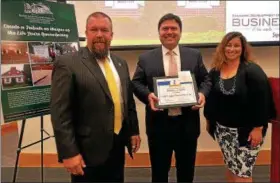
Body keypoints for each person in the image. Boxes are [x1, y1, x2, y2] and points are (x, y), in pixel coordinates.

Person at [50, 12, 141, 183]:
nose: (99, 34)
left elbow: (127, 102)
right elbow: (60, 113)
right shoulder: (68, 63)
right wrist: (69, 152)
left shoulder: (120, 63)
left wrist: (133, 130)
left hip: (117, 145)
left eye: (104, 30)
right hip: (86, 152)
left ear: (111, 35)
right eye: (94, 30)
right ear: (86, 33)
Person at [132, 13, 211, 182]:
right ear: (159, 32)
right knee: (159, 173)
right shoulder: (146, 58)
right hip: (159, 125)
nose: (169, 32)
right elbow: (136, 83)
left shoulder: (194, 55)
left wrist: (202, 93)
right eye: (165, 28)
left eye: (173, 28)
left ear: (180, 32)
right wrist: (148, 95)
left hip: (187, 124)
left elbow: (206, 79)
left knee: (186, 172)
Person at [204, 31, 276, 182]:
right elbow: (210, 97)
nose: (232, 49)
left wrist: (258, 128)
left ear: (243, 49)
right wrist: (209, 120)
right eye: (228, 45)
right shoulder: (216, 70)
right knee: (232, 168)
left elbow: (262, 100)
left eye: (237, 46)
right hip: (224, 132)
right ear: (222, 48)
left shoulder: (252, 70)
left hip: (247, 132)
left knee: (243, 174)